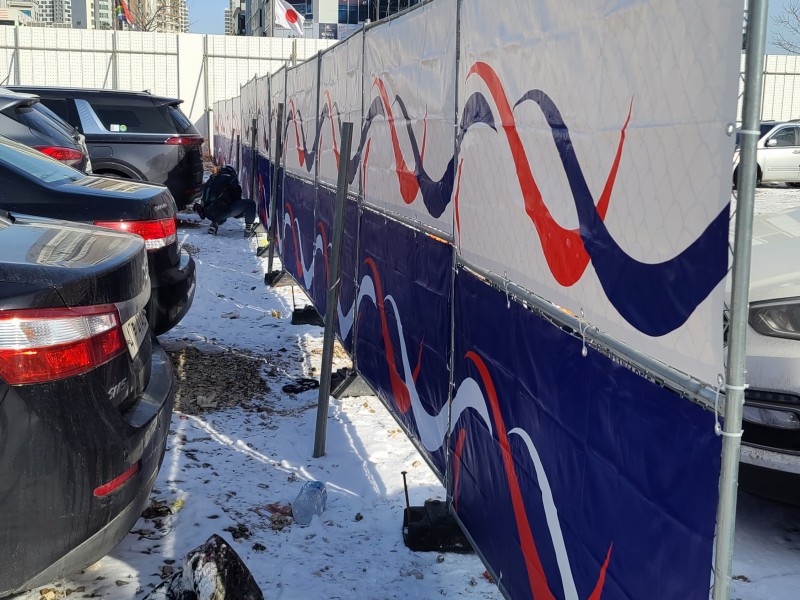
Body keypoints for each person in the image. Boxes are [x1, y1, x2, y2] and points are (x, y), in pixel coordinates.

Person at [194, 165, 256, 238]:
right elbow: (236, 197)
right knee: (250, 204)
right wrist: (240, 213)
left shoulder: (211, 178)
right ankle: (248, 230)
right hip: (219, 210)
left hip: (207, 212)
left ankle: (214, 225)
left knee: (220, 209)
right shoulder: (231, 178)